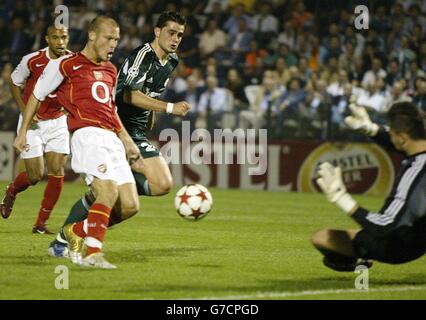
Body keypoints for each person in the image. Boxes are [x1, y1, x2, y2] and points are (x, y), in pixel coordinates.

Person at [48, 11, 190, 259]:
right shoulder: (142, 56)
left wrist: (151, 116)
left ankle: (72, 232)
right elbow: (128, 95)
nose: (175, 38)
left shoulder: (171, 60)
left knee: (156, 186)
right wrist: (169, 108)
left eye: (179, 34)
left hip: (135, 131)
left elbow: (151, 93)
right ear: (157, 31)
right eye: (171, 32)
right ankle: (68, 238)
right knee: (146, 187)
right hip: (115, 129)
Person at [14, 16, 143, 269]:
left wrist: (126, 140)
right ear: (92, 35)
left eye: (116, 39)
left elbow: (110, 108)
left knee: (129, 206)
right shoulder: (65, 65)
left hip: (112, 138)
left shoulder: (111, 69)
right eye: (109, 38)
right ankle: (93, 252)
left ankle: (70, 232)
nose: (113, 44)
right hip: (87, 136)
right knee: (107, 191)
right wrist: (23, 132)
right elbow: (36, 96)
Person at [311, 100, 426, 271]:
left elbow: (386, 225)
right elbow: (404, 144)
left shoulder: (415, 173)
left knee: (322, 238)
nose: (390, 135)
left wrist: (341, 198)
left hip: (406, 246)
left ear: (402, 137)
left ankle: (360, 261)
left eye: (392, 132)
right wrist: (372, 129)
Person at [0, 25, 70, 234]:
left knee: (57, 170)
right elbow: (14, 82)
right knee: (34, 176)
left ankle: (40, 224)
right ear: (47, 39)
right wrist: (24, 110)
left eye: (64, 37)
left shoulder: (73, 62)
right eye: (55, 38)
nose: (60, 42)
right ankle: (11, 191)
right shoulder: (32, 60)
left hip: (57, 122)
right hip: (32, 123)